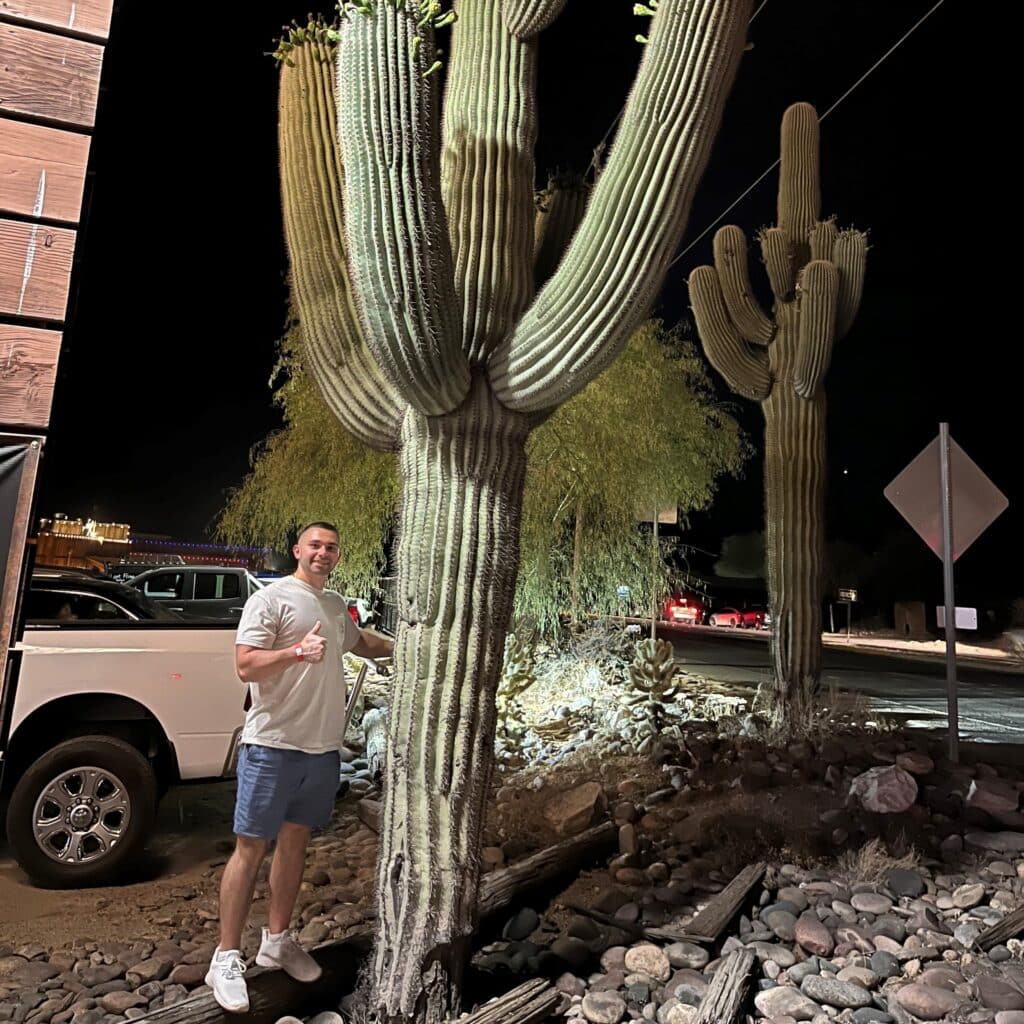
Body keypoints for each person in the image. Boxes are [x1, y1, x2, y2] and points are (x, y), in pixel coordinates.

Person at [205, 521, 394, 1013]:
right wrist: (294, 652)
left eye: (332, 547)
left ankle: (278, 939)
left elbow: (361, 642)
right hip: (272, 745)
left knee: (295, 844)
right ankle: (225, 956)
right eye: (316, 545)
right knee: (250, 849)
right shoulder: (271, 599)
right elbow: (245, 665)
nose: (324, 553)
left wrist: (411, 644)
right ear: (298, 550)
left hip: (321, 749)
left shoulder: (332, 605)